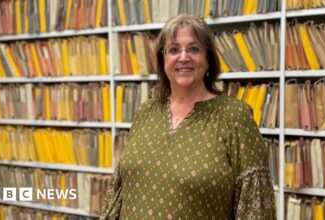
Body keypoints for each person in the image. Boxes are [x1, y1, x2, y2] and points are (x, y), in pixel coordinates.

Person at [100, 14, 276, 219]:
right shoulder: (145, 112)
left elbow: (256, 205)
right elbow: (118, 191)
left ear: (209, 60)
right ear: (163, 61)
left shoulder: (234, 117)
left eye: (194, 48)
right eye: (173, 49)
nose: (183, 57)